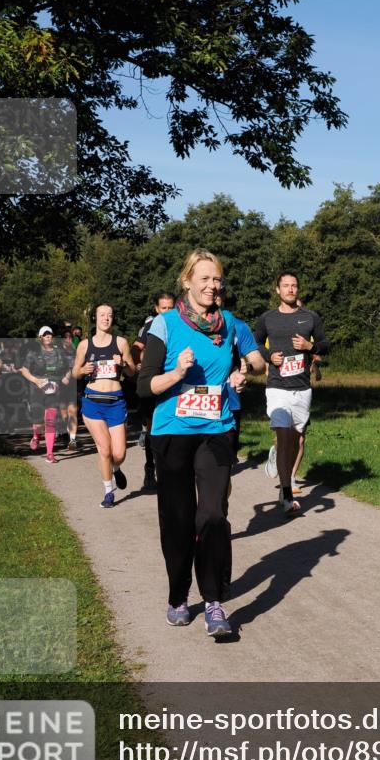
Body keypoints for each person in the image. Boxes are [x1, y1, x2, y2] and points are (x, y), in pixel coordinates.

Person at [137, 249, 247, 638]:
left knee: (213, 514)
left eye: (217, 279)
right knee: (179, 522)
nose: (212, 286)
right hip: (171, 434)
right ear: (187, 282)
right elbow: (143, 385)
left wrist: (238, 375)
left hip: (216, 429)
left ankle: (214, 602)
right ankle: (178, 596)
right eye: (204, 279)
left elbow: (243, 362)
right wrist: (176, 373)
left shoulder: (229, 323)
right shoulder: (164, 325)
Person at [254, 274, 329, 515]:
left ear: (298, 289)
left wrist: (310, 347)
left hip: (302, 388)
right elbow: (254, 344)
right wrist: (268, 357)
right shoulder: (268, 318)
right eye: (285, 286)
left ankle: (285, 474)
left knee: (297, 439)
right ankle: (286, 492)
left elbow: (325, 344)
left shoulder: (310, 317)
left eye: (294, 285)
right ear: (278, 290)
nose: (290, 289)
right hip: (277, 386)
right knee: (285, 437)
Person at [73, 304, 135, 507]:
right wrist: (83, 369)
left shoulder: (121, 343)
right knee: (105, 450)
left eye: (109, 315)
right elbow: (74, 373)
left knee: (119, 454)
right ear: (95, 318)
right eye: (102, 315)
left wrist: (123, 364)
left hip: (116, 402)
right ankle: (109, 491)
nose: (106, 318)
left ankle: (116, 469)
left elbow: (132, 372)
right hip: (93, 403)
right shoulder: (84, 345)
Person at [215, 285, 265, 461]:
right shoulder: (183, 324)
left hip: (229, 404)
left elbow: (259, 364)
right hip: (193, 406)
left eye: (218, 292)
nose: (214, 296)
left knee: (223, 471)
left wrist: (248, 367)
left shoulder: (237, 326)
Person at [132, 292, 176, 491]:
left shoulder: (181, 324)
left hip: (174, 383)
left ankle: (172, 469)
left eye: (170, 308)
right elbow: (136, 347)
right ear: (156, 309)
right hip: (152, 383)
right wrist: (139, 361)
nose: (167, 311)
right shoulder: (150, 327)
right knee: (152, 429)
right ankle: (151, 468)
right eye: (163, 308)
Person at [20, 326, 73, 464]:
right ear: (41, 337)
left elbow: (68, 369)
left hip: (54, 390)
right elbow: (24, 370)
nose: (48, 336)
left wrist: (66, 377)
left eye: (50, 334)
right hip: (37, 389)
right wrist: (36, 380)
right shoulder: (33, 353)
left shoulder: (59, 353)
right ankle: (36, 436)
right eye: (45, 335)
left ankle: (50, 454)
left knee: (51, 421)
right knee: (38, 421)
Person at [58, 329, 79, 450]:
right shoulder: (57, 353)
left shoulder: (75, 352)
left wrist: (70, 373)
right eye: (66, 337)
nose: (69, 339)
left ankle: (73, 439)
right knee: (64, 414)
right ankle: (66, 432)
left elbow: (77, 366)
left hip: (72, 385)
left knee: (72, 411)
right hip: (60, 386)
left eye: (70, 337)